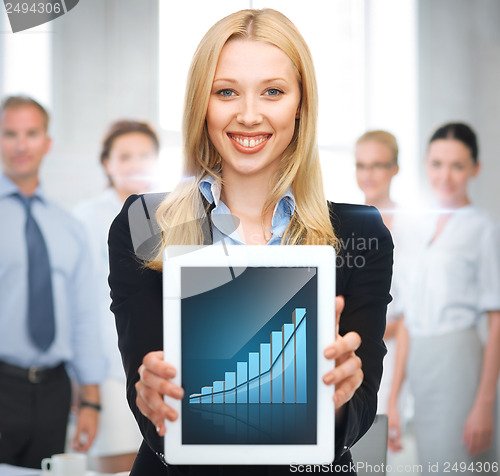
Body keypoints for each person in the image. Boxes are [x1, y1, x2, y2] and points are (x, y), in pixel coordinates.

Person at [108, 9, 393, 475]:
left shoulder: (360, 234)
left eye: (273, 92)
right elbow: (148, 403)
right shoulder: (144, 223)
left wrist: (340, 400)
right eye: (226, 92)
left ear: (300, 104)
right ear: (203, 102)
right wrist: (150, 394)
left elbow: (358, 410)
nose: (248, 115)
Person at [0, 95, 105, 468]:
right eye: (10, 133)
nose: (21, 144)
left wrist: (91, 400)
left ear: (47, 143)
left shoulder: (69, 228)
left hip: (54, 392)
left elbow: (83, 317)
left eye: (31, 133)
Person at [389, 123, 500, 474]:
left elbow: (497, 318)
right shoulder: (413, 228)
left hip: (460, 362)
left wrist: (485, 403)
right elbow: (406, 318)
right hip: (421, 363)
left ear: (475, 169)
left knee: (459, 465)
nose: (445, 175)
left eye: (458, 165)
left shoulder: (483, 228)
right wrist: (394, 398)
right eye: (437, 163)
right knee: (431, 464)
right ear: (425, 164)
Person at [73, 120, 159, 473]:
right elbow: (82, 304)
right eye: (125, 156)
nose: (136, 164)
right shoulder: (85, 218)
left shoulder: (169, 213)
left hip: (158, 368)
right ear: (107, 163)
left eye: (144, 155)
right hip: (108, 369)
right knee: (115, 464)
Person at [354, 130, 410, 451]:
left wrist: (394, 399)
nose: (368, 175)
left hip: (391, 361)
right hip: (348, 356)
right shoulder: (346, 223)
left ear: (395, 168)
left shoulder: (408, 229)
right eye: (361, 165)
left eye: (377, 165)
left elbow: (407, 320)